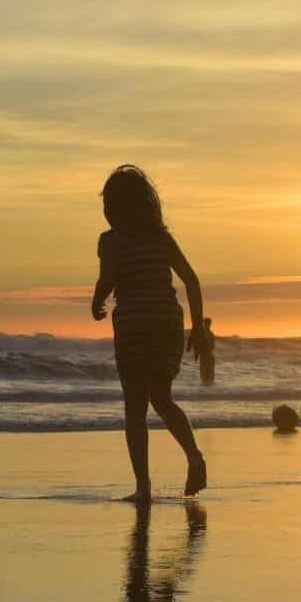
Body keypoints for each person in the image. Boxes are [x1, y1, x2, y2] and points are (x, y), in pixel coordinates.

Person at [91, 165, 211, 501]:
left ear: (115, 209)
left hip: (133, 325)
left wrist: (97, 301)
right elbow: (192, 280)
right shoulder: (161, 238)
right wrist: (198, 327)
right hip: (165, 324)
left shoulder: (110, 241)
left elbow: (108, 279)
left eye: (108, 205)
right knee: (162, 398)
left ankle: (143, 487)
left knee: (134, 407)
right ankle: (194, 455)